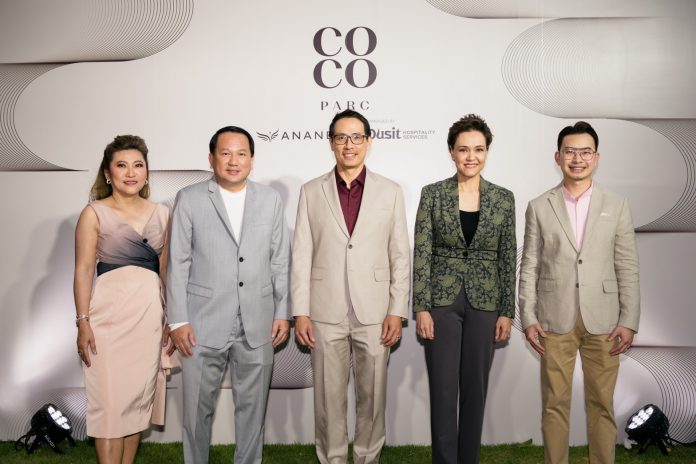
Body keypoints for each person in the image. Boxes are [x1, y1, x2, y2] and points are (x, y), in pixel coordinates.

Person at [291, 109, 410, 464]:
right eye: (341, 137)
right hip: (324, 310)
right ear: (331, 143)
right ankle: (333, 459)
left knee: (373, 397)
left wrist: (396, 310)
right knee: (328, 399)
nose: (349, 144)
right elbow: (301, 255)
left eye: (357, 137)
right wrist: (300, 312)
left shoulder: (390, 192)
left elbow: (400, 256)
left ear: (369, 142)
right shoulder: (311, 191)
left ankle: (367, 458)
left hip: (375, 312)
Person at [167, 126, 290, 464]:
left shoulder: (269, 199)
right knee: (196, 412)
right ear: (211, 159)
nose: (233, 161)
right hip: (201, 321)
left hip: (259, 320)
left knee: (253, 411)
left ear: (252, 159)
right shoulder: (189, 198)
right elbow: (177, 262)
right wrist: (177, 320)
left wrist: (282, 311)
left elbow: (280, 260)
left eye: (241, 154)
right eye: (225, 153)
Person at [519, 121, 640, 464]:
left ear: (596, 157)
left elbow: (627, 265)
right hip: (553, 318)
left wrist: (629, 320)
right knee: (554, 403)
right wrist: (528, 316)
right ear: (557, 157)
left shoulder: (617, 204)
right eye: (570, 151)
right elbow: (529, 265)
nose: (577, 159)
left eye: (585, 152)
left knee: (601, 403)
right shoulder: (539, 206)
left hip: (605, 320)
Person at [412, 114, 516, 464]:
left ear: (487, 152)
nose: (471, 156)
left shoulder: (503, 198)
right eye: (463, 149)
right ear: (451, 152)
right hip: (441, 302)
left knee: (475, 389)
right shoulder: (433, 194)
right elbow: (422, 252)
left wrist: (507, 311)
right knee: (443, 391)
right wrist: (421, 306)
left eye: (479, 149)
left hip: (486, 303)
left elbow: (507, 257)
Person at [74, 135, 173, 464]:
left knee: (135, 406)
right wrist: (82, 322)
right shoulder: (94, 213)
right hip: (107, 319)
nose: (131, 173)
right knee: (109, 407)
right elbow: (83, 269)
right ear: (107, 173)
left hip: (148, 318)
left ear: (146, 172)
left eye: (138, 165)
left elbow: (165, 272)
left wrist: (171, 319)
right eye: (121, 165)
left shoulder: (163, 214)